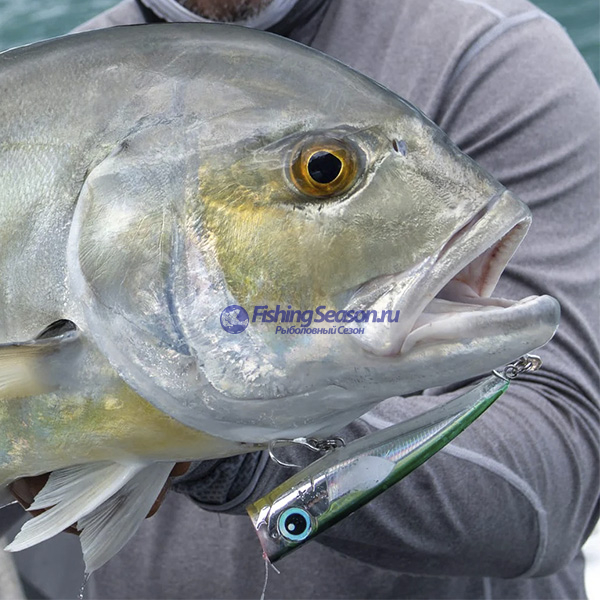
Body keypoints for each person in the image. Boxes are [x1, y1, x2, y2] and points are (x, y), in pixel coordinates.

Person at [10, 0, 600, 598]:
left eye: (324, 170)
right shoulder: (45, 89)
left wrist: (234, 452)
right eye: (323, 171)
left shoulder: (486, 56)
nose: (324, 171)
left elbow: (554, 487)